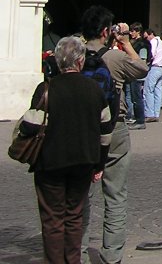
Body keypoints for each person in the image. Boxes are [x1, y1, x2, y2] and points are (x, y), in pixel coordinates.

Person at [18, 35, 114, 264]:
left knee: (52, 219)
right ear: (80, 61)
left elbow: (29, 125)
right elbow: (105, 131)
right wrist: (99, 164)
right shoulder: (94, 89)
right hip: (83, 161)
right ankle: (73, 260)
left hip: (50, 162)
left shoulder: (46, 88)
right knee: (74, 216)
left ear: (58, 61)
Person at [79, 7, 147, 264]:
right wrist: (126, 44)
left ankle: (80, 253)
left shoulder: (74, 55)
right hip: (114, 126)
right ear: (107, 32)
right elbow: (141, 69)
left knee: (81, 194)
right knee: (116, 193)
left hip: (81, 128)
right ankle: (112, 255)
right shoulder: (115, 58)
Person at [124, 24, 147, 129]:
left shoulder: (142, 44)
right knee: (134, 98)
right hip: (132, 73)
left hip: (137, 74)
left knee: (137, 98)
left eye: (133, 31)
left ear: (138, 32)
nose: (131, 33)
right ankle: (137, 119)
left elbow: (143, 59)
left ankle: (140, 121)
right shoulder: (134, 43)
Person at [142, 29, 162, 123]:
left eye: (146, 37)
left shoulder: (154, 41)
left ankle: (149, 114)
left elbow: (152, 53)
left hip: (154, 67)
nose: (146, 39)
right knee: (157, 92)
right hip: (161, 68)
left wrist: (147, 61)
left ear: (151, 34)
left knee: (148, 90)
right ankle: (156, 113)